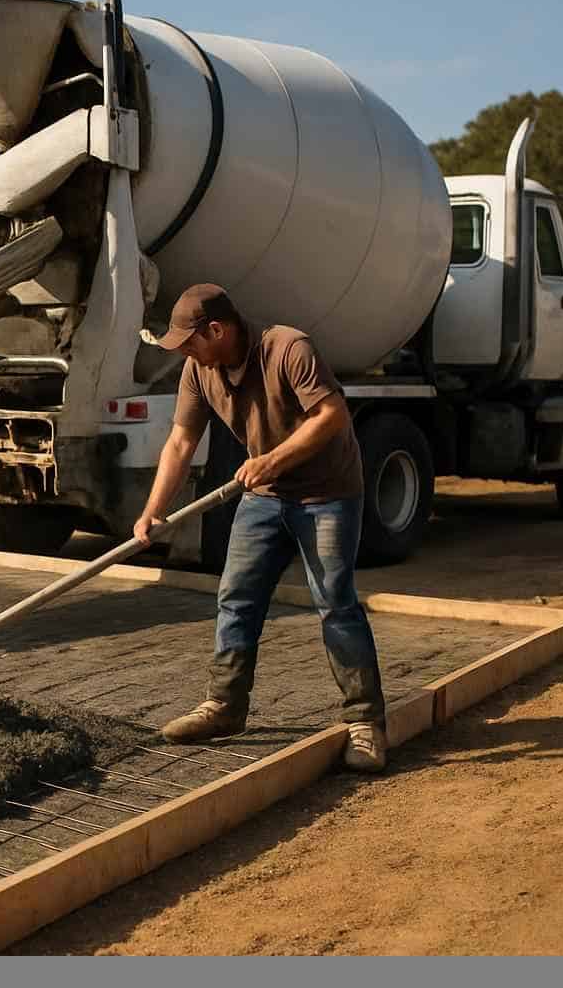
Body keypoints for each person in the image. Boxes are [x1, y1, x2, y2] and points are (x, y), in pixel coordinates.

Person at [135, 283, 386, 772]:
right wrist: (153, 511)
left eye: (189, 342)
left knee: (335, 603)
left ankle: (365, 722)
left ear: (217, 330)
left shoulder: (288, 349)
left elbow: (332, 415)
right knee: (237, 596)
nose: (184, 353)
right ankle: (225, 706)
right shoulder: (198, 370)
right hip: (265, 496)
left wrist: (272, 460)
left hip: (327, 494)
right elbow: (181, 441)